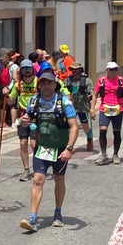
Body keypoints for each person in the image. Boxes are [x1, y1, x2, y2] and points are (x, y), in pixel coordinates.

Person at [18, 70, 79, 232]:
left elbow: (74, 126)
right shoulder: (33, 101)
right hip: (42, 148)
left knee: (59, 179)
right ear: (39, 85)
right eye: (43, 83)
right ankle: (32, 217)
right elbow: (27, 122)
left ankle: (58, 213)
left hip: (60, 149)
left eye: (49, 82)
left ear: (54, 84)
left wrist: (69, 148)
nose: (45, 85)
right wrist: (24, 122)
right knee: (38, 179)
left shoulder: (64, 102)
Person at [91, 62, 123, 165]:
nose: (113, 72)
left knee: (116, 132)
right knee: (103, 130)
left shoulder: (122, 81)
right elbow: (95, 95)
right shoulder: (101, 81)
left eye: (115, 70)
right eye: (111, 70)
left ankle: (115, 154)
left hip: (118, 108)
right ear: (107, 70)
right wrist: (92, 109)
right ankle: (103, 154)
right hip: (105, 108)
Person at [7, 63, 40, 180]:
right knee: (23, 144)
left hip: (36, 117)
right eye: (24, 69)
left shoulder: (38, 82)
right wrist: (7, 95)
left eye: (29, 68)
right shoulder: (18, 84)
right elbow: (11, 102)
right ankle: (26, 170)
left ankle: (38, 168)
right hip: (22, 117)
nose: (27, 71)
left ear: (32, 69)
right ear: (21, 70)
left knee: (34, 144)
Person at [64, 62, 95, 152]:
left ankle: (89, 138)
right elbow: (63, 90)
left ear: (80, 70)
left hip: (83, 107)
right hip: (71, 106)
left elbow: (92, 93)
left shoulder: (86, 80)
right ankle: (70, 145)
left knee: (85, 126)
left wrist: (91, 98)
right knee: (71, 126)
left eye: (77, 69)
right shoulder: (67, 80)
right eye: (73, 69)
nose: (75, 71)